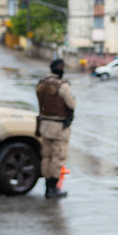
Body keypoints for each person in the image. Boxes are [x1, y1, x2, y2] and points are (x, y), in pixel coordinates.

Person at [36, 58, 76, 199]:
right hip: (58, 127)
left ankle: (48, 187)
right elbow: (71, 104)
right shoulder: (62, 86)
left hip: (44, 125)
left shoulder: (42, 84)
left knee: (46, 156)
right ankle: (53, 189)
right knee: (57, 157)